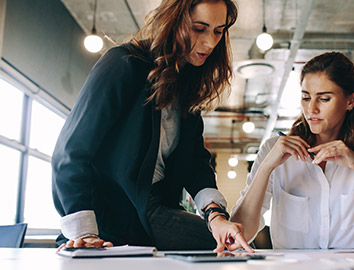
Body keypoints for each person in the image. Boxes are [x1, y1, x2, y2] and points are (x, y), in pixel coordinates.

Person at [52, 0, 253, 253]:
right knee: (232, 249)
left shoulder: (186, 85)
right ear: (174, 22)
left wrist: (216, 217)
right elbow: (70, 155)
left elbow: (195, 165)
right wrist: (85, 233)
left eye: (218, 31)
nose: (210, 42)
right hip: (111, 217)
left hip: (156, 209)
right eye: (199, 28)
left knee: (232, 243)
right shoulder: (122, 64)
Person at [230, 52, 354, 249]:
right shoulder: (274, 149)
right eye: (306, 97)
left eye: (323, 99)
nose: (311, 109)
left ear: (350, 101)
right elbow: (239, 235)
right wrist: (265, 168)